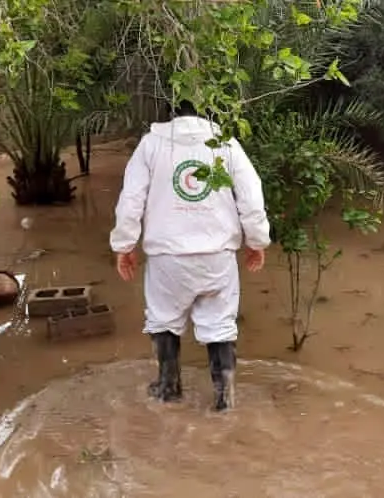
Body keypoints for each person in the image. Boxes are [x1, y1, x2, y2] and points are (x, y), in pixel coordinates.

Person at [109, 100, 270, 411]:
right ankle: (224, 401)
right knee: (220, 325)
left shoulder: (151, 144)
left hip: (167, 257)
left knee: (163, 321)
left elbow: (131, 200)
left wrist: (124, 245)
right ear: (208, 108)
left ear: (169, 110)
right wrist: (257, 240)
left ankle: (168, 391)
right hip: (217, 256)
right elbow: (251, 194)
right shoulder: (226, 144)